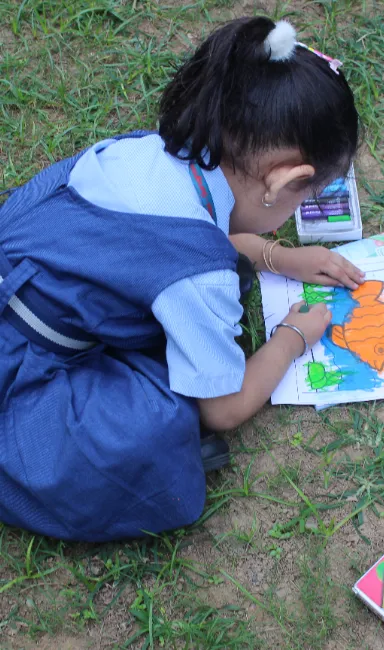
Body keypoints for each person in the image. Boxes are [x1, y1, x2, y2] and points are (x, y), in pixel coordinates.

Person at [0, 16, 363, 542]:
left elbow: (176, 239)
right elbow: (224, 408)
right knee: (160, 425)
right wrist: (291, 338)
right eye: (308, 197)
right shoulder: (199, 272)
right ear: (285, 179)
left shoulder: (150, 156)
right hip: (20, 379)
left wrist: (278, 258)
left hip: (21, 289)